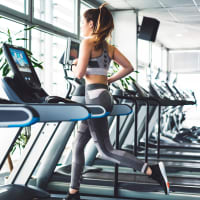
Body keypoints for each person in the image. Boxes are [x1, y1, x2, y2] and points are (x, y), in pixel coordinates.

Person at [64, 3, 170, 200]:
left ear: (91, 23)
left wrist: (73, 64)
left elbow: (79, 74)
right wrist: (109, 79)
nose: (81, 27)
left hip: (94, 98)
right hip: (102, 94)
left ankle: (151, 170)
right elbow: (128, 67)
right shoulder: (108, 47)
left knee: (105, 151)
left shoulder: (87, 42)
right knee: (78, 145)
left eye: (83, 23)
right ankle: (73, 193)